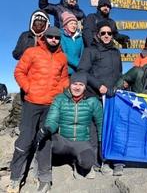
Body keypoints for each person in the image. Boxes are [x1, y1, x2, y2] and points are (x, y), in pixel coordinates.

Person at [7, 27, 69, 193]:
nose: (54, 40)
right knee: (25, 139)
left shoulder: (62, 57)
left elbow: (64, 80)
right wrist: (29, 88)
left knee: (46, 141)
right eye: (51, 37)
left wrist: (61, 94)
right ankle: (15, 178)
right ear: (45, 37)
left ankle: (44, 178)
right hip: (32, 103)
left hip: (50, 105)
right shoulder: (32, 52)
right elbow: (19, 71)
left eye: (57, 37)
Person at [35, 72, 103, 183]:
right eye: (74, 84)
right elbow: (52, 120)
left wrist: (101, 142)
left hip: (82, 142)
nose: (77, 87)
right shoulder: (60, 99)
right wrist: (47, 129)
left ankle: (76, 163)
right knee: (46, 140)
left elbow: (100, 123)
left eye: (81, 84)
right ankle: (44, 176)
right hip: (63, 141)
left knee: (87, 163)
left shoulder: (93, 101)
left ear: (85, 86)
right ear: (70, 85)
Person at [77, 19, 122, 176]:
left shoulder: (116, 52)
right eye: (103, 33)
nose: (106, 35)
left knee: (112, 128)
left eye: (109, 33)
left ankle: (111, 159)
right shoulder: (90, 50)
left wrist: (119, 86)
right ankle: (97, 162)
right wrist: (98, 86)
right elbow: (82, 71)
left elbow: (119, 74)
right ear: (97, 34)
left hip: (112, 97)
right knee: (95, 130)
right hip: (94, 96)